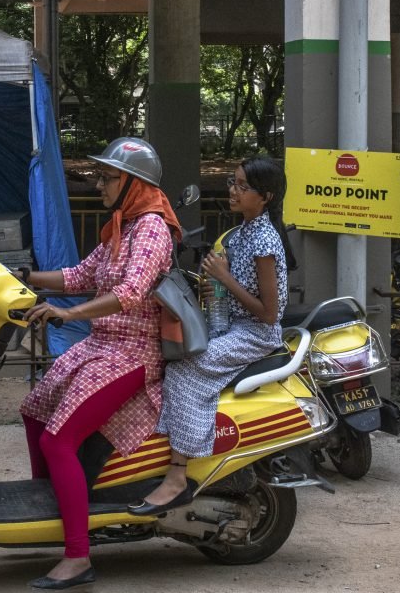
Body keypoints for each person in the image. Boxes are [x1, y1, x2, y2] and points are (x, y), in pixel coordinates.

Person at [19, 136, 181, 590]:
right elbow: (80, 275)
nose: (98, 186)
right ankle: (53, 510)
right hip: (101, 346)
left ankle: (77, 557)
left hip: (131, 355)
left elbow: (129, 294)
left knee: (58, 442)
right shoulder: (121, 227)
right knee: (33, 411)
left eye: (107, 177)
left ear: (134, 183)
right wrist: (21, 276)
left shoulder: (150, 229)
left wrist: (68, 313)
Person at [127, 154, 289, 516]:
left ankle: (178, 475)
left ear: (265, 198)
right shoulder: (241, 232)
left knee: (185, 367)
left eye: (243, 186)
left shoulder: (264, 239)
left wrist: (225, 278)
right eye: (233, 182)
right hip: (232, 325)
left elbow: (269, 313)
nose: (233, 190)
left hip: (255, 334)